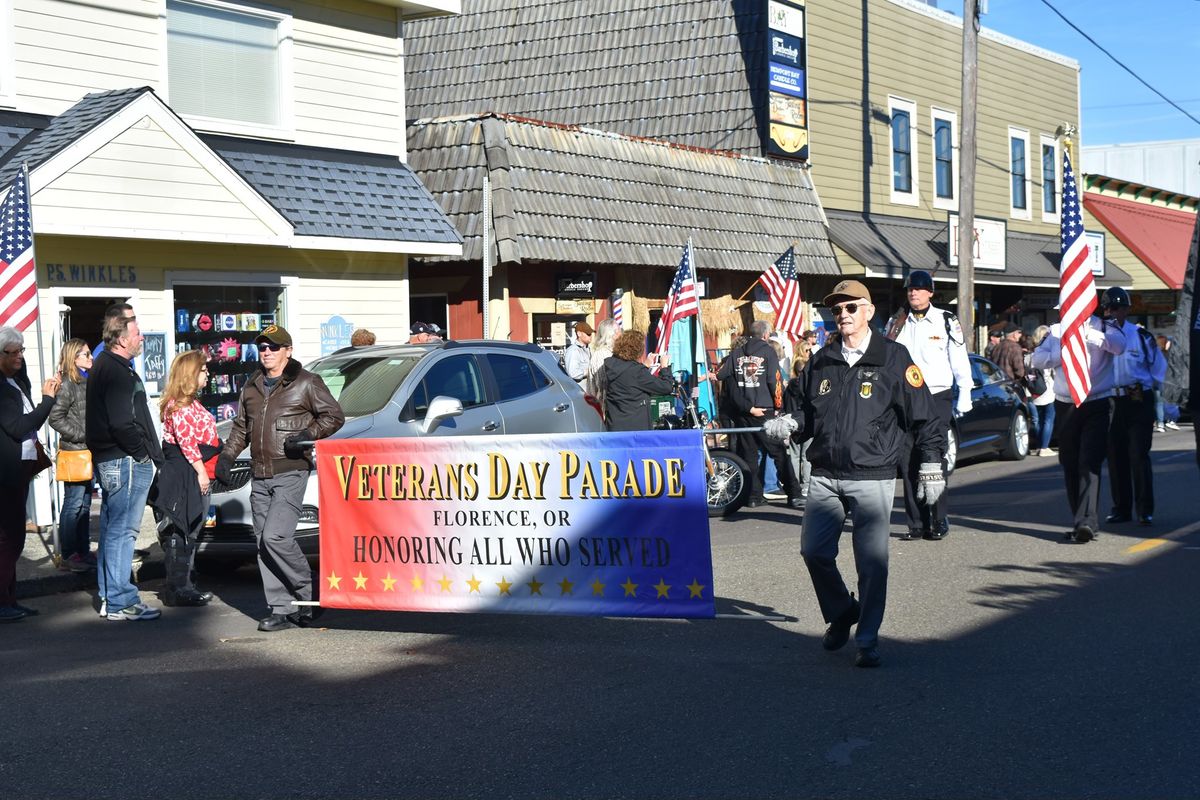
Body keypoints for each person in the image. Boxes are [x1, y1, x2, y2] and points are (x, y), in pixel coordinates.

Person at [767, 280, 945, 668]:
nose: (843, 316)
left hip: (873, 474)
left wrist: (931, 464)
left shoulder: (894, 357)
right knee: (813, 551)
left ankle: (867, 638)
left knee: (871, 562)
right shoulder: (822, 359)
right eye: (837, 310)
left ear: (868, 312)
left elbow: (925, 416)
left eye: (850, 308)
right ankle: (844, 611)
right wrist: (791, 423)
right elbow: (810, 414)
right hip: (826, 473)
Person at [215, 325, 345, 632]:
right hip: (259, 474)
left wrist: (307, 435)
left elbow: (333, 416)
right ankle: (281, 608)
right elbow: (241, 428)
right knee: (262, 542)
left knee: (276, 537)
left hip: (291, 470)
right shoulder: (252, 385)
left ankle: (310, 590)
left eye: (273, 347)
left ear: (288, 350)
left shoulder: (307, 382)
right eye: (262, 347)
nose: (267, 352)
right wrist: (227, 457)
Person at [87, 312, 164, 621]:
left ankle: (110, 596)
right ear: (121, 339)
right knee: (123, 532)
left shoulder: (105, 366)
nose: (141, 337)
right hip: (124, 459)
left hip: (112, 459)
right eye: (136, 333)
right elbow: (122, 423)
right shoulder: (116, 371)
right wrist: (142, 454)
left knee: (112, 530)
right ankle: (120, 600)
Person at [885, 269, 972, 540]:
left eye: (919, 289)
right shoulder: (897, 322)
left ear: (930, 293)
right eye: (910, 289)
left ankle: (937, 519)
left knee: (932, 457)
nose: (914, 293)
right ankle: (916, 524)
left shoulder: (945, 320)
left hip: (936, 395)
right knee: (907, 458)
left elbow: (958, 357)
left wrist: (966, 390)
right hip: (905, 399)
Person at [1031, 308, 1126, 543]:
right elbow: (1036, 359)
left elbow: (1119, 345)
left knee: (1089, 461)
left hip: (1097, 402)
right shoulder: (1055, 332)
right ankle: (1079, 520)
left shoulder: (1104, 328)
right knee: (1071, 463)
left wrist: (1088, 336)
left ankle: (1087, 522)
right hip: (1066, 405)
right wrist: (1063, 352)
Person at [150, 350, 221, 606]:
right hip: (183, 472)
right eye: (203, 370)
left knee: (190, 530)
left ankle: (184, 583)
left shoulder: (190, 402)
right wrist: (202, 472)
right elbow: (187, 442)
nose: (207, 374)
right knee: (180, 531)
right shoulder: (177, 405)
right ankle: (179, 588)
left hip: (192, 469)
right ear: (191, 374)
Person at [0, 327, 61, 621]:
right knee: (9, 539)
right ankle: (3, 601)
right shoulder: (1, 387)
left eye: (22, 350)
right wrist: (47, 401)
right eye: (15, 352)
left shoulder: (15, 381)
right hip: (6, 472)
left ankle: (10, 599)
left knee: (14, 538)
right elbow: (16, 426)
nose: (21, 356)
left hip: (20, 467)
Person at [716, 320, 798, 509]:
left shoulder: (736, 353)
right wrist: (779, 406)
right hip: (765, 409)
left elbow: (722, 375)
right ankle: (793, 494)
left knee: (749, 455)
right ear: (766, 335)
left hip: (744, 411)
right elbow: (774, 381)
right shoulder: (768, 351)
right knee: (778, 453)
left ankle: (753, 496)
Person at [1102, 288, 1166, 526]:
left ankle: (1144, 509)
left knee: (1138, 454)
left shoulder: (1141, 337)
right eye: (1110, 308)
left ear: (1127, 310)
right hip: (1109, 399)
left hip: (1138, 398)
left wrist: (1163, 399)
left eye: (1119, 308)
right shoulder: (1097, 337)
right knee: (1115, 457)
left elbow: (1158, 369)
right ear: (1104, 310)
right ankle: (1121, 509)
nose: (1114, 312)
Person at [48, 338, 95, 572]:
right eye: (86, 354)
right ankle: (69, 554)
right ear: (74, 358)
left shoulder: (85, 381)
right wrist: (81, 434)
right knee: (74, 504)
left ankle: (82, 551)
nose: (91, 357)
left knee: (85, 504)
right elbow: (55, 418)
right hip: (75, 452)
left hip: (87, 452)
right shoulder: (67, 383)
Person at [601, 329, 676, 431]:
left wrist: (644, 366)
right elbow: (666, 387)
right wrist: (664, 367)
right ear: (638, 349)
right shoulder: (637, 372)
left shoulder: (611, 366)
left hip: (615, 426)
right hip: (635, 430)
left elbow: (629, 380)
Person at [1028, 326, 1057, 456]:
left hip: (1034, 391)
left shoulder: (1029, 356)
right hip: (1048, 390)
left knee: (1038, 420)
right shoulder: (1047, 355)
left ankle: (1039, 446)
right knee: (1048, 419)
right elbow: (1053, 374)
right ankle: (1045, 447)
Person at [586, 319, 617, 410]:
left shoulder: (613, 353)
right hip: (604, 407)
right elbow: (603, 384)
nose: (621, 334)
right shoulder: (601, 355)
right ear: (610, 334)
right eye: (618, 331)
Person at [564, 320, 593, 385]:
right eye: (588, 334)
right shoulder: (573, 350)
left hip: (589, 391)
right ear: (579, 334)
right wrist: (590, 371)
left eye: (591, 333)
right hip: (579, 392)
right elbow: (573, 374)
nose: (590, 336)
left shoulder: (588, 349)